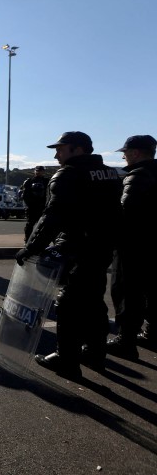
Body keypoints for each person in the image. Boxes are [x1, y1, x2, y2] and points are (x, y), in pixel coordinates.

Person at [15, 131, 122, 379]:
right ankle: (95, 352)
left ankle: (66, 360)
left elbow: (53, 216)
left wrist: (31, 247)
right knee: (94, 300)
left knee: (68, 305)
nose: (56, 155)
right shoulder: (110, 173)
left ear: (77, 149)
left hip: (77, 246)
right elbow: (117, 212)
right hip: (102, 247)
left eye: (61, 149)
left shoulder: (68, 175)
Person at [107, 135, 157, 360]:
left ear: (136, 153)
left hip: (134, 246)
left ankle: (125, 341)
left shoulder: (137, 176)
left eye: (125, 153)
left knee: (127, 293)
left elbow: (123, 214)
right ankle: (152, 333)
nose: (124, 157)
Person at [20, 166, 48, 242]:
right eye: (37, 170)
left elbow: (49, 193)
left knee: (43, 225)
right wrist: (29, 204)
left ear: (43, 172)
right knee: (30, 224)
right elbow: (25, 194)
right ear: (34, 171)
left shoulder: (47, 181)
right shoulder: (29, 181)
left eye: (40, 171)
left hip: (43, 206)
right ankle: (27, 240)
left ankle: (42, 241)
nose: (38, 172)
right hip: (32, 206)